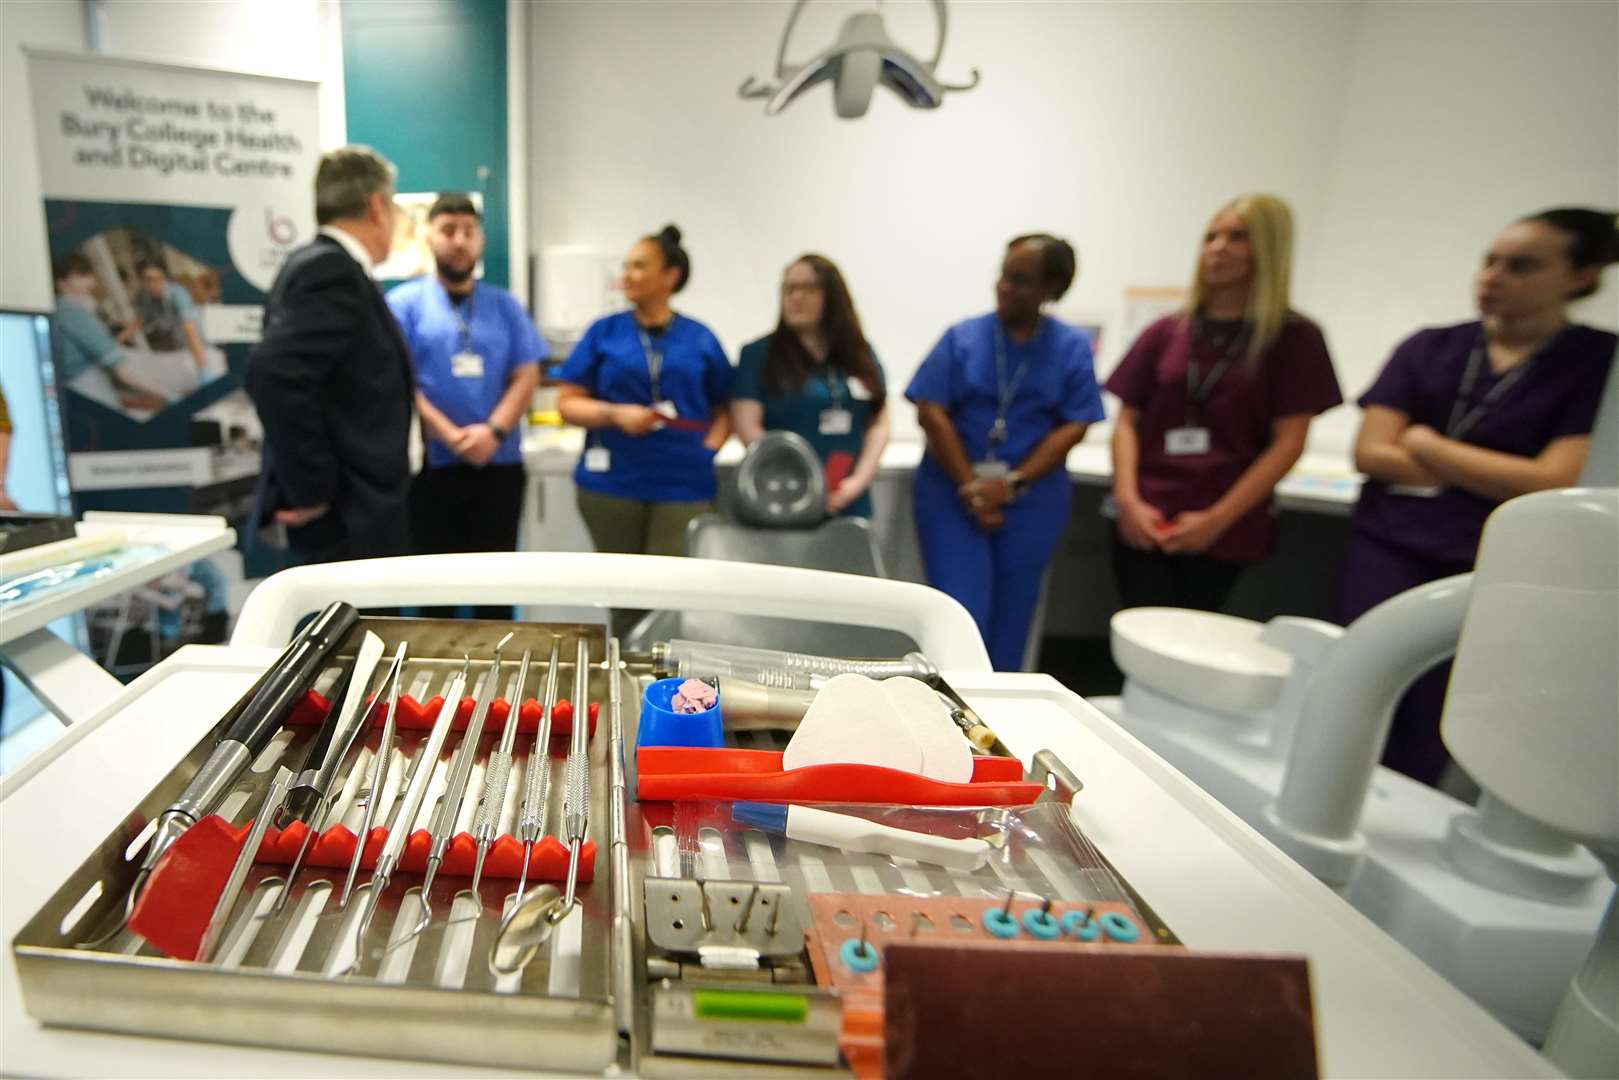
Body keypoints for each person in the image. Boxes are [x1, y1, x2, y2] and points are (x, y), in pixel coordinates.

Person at [1339, 207, 1618, 787]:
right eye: (1489, 261)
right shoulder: (1430, 348)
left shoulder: (1598, 362)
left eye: (1521, 266)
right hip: (1390, 544)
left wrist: (1423, 442)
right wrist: (1491, 472)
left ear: (1580, 276)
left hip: (1504, 562)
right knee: (1360, 685)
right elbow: (1370, 453)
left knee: (1447, 708)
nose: (1492, 277)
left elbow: (1551, 482)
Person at [1106, 193, 1342, 612]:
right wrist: (1128, 501)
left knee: (1189, 636)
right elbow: (1126, 422)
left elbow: (1289, 442)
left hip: (1224, 522)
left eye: (1237, 237)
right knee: (1136, 629)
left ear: (1269, 249)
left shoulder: (1294, 339)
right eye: (1211, 236)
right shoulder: (1166, 331)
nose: (1217, 248)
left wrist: (1216, 520)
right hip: (1146, 511)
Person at [906, 233, 1105, 671]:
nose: (1005, 288)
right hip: (951, 495)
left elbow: (1075, 424)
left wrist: (1011, 485)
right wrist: (972, 488)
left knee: (1013, 623)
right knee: (961, 616)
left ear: (1051, 290)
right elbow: (932, 412)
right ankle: (953, 719)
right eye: (1003, 276)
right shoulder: (963, 338)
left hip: (1030, 499)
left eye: (1021, 280)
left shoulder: (1069, 347)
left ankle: (999, 730)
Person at [245, 145, 414, 565]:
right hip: (347, 512)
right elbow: (276, 373)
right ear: (377, 206)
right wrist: (312, 489)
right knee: (356, 630)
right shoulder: (332, 271)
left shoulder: (315, 264)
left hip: (354, 506)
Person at [556, 225, 732, 629]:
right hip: (613, 484)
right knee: (624, 596)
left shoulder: (700, 338)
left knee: (668, 595)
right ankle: (624, 679)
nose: (628, 274)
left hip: (682, 485)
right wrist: (614, 415)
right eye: (626, 266)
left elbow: (726, 406)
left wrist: (707, 449)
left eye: (639, 266)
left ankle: (664, 686)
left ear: (670, 276)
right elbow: (568, 403)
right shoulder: (605, 332)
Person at [388, 192, 545, 618]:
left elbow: (527, 373)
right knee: (433, 594)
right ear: (429, 237)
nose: (459, 241)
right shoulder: (403, 305)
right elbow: (400, 383)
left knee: (495, 594)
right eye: (448, 231)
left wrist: (492, 431)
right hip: (433, 468)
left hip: (498, 466)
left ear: (480, 240)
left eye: (469, 231)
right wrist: (449, 434)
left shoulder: (506, 306)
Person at [732, 254, 889, 518]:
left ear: (832, 296)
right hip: (782, 495)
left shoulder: (859, 354)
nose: (796, 297)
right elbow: (748, 428)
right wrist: (807, 484)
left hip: (846, 495)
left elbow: (879, 424)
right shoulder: (758, 355)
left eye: (808, 288)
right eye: (789, 289)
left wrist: (857, 482)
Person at [48, 253, 168, 412]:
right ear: (61, 283)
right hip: (86, 384)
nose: (90, 281)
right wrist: (170, 397)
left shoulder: (64, 309)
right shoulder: (72, 312)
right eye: (81, 275)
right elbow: (120, 368)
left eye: (88, 274)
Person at [130, 259, 209, 375]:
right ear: (141, 281)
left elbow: (190, 331)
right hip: (177, 339)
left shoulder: (177, 294)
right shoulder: (143, 296)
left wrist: (202, 368)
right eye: (148, 280)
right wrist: (116, 342)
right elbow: (139, 321)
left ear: (164, 278)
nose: (153, 284)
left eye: (157, 279)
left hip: (197, 335)